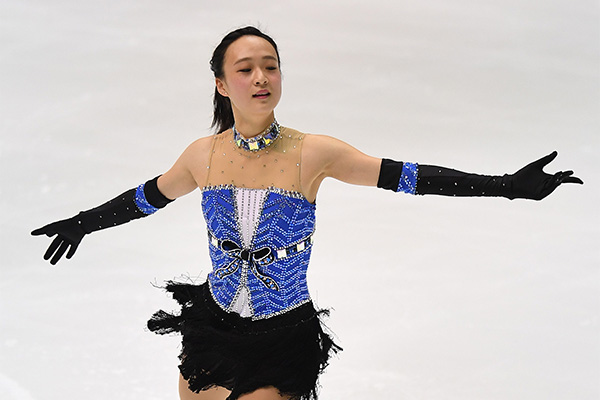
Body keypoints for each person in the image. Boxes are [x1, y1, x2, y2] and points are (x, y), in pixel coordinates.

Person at [31, 26, 583, 400]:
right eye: (245, 69)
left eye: (270, 67)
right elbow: (145, 198)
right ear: (221, 84)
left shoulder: (313, 153)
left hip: (282, 336)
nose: (261, 78)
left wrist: (507, 187)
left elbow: (408, 177)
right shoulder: (202, 156)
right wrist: (83, 222)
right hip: (213, 327)